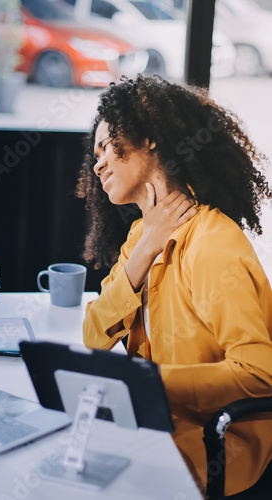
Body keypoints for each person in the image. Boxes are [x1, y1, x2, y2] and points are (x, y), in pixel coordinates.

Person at [76, 74, 272, 498]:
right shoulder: (139, 239)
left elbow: (259, 373)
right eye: (95, 153)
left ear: (149, 138)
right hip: (152, 428)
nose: (98, 163)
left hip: (211, 452)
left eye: (109, 145)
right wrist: (146, 249)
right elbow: (93, 335)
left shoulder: (212, 242)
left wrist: (147, 382)